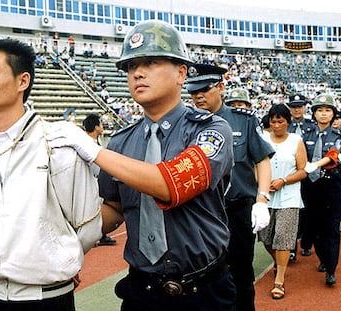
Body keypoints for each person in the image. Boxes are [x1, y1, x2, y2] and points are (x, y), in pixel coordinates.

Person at [61, 20, 236, 310]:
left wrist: (94, 151)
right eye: (131, 67)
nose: (137, 73)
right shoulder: (120, 143)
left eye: (151, 62)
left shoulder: (211, 130)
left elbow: (170, 184)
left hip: (204, 291)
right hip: (141, 290)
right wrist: (71, 248)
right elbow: (114, 209)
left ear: (181, 73)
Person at [0, 36, 102, 310]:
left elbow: (87, 225)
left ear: (23, 81)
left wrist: (59, 260)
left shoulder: (56, 143)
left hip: (44, 298)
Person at [187, 64, 274, 311]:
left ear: (221, 87)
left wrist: (262, 199)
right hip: (201, 212)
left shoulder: (242, 120)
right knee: (202, 278)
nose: (198, 96)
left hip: (236, 211)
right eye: (193, 92)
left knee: (241, 276)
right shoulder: (189, 123)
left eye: (204, 89)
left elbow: (262, 160)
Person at [257, 104, 307, 299]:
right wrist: (261, 181)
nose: (276, 125)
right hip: (266, 196)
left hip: (289, 196)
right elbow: (256, 164)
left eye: (281, 121)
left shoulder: (296, 141)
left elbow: (303, 170)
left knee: (283, 239)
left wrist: (283, 180)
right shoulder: (262, 139)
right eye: (273, 121)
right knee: (265, 237)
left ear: (288, 122)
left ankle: (279, 279)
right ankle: (280, 263)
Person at [301, 94, 341, 286]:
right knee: (315, 227)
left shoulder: (339, 137)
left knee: (332, 227)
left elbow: (333, 157)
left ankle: (331, 269)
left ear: (333, 114)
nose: (324, 113)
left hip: (332, 186)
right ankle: (323, 258)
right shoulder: (306, 134)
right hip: (311, 187)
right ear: (314, 113)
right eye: (320, 110)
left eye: (328, 110)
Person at [286, 94, 316, 261]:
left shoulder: (312, 127)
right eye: (294, 106)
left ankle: (306, 243)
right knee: (291, 212)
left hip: (309, 177)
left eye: (300, 106)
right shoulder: (285, 126)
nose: (297, 109)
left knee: (308, 212)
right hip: (291, 175)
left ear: (305, 107)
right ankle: (290, 248)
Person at [82, 114, 117, 247]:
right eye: (100, 124)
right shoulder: (87, 144)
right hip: (91, 180)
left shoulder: (95, 141)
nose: (102, 127)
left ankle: (101, 235)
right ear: (96, 127)